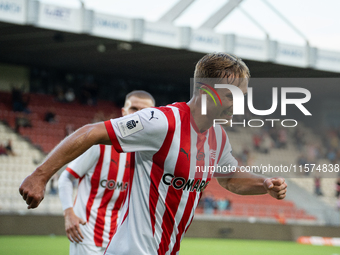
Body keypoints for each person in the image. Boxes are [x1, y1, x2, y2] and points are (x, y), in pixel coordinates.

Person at [19, 53, 287, 255]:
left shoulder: (218, 138)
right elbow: (91, 132)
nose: (238, 105)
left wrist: (264, 184)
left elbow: (230, 179)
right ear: (206, 93)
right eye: (231, 97)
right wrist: (39, 176)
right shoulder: (161, 122)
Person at [58, 90, 155, 255]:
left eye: (144, 111)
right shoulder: (101, 144)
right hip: (86, 233)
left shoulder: (149, 153)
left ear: (153, 116)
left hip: (120, 238)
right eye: (133, 109)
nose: (137, 115)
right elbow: (66, 178)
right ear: (124, 112)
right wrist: (69, 213)